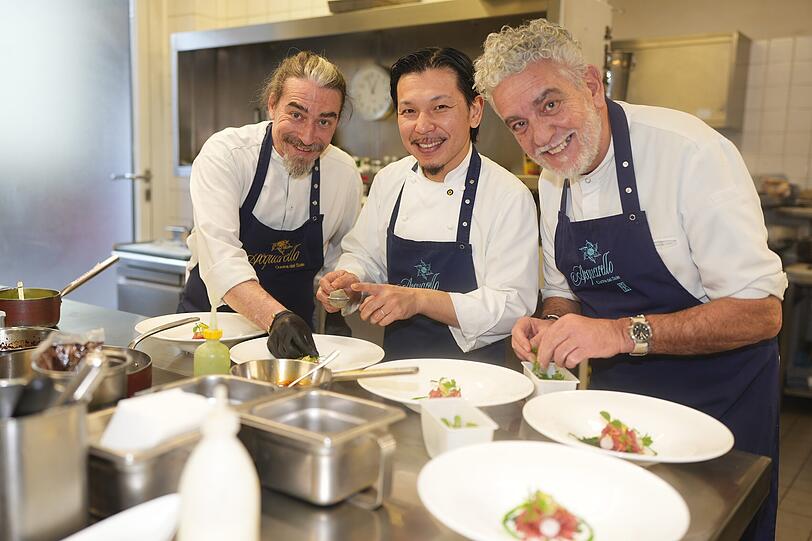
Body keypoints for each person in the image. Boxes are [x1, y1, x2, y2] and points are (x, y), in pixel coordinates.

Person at [474, 18, 787, 539]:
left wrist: (618, 333)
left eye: (549, 104)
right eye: (518, 124)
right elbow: (563, 291)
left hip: (722, 407)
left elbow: (761, 313)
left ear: (592, 85)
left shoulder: (689, 154)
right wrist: (550, 324)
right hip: (618, 414)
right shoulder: (554, 178)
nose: (541, 137)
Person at [316, 47, 539, 363]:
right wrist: (351, 281)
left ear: (475, 110)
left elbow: (512, 306)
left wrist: (419, 300)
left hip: (477, 380)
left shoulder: (507, 195)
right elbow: (364, 254)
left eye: (440, 107)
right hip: (397, 370)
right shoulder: (390, 180)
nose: (422, 127)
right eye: (408, 111)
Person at [179, 51, 363, 359]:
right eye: (296, 114)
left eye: (324, 121)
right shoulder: (227, 155)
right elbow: (221, 259)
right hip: (214, 338)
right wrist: (275, 317)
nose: (308, 136)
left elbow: (344, 256)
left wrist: (341, 291)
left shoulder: (343, 173)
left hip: (294, 345)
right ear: (272, 104)